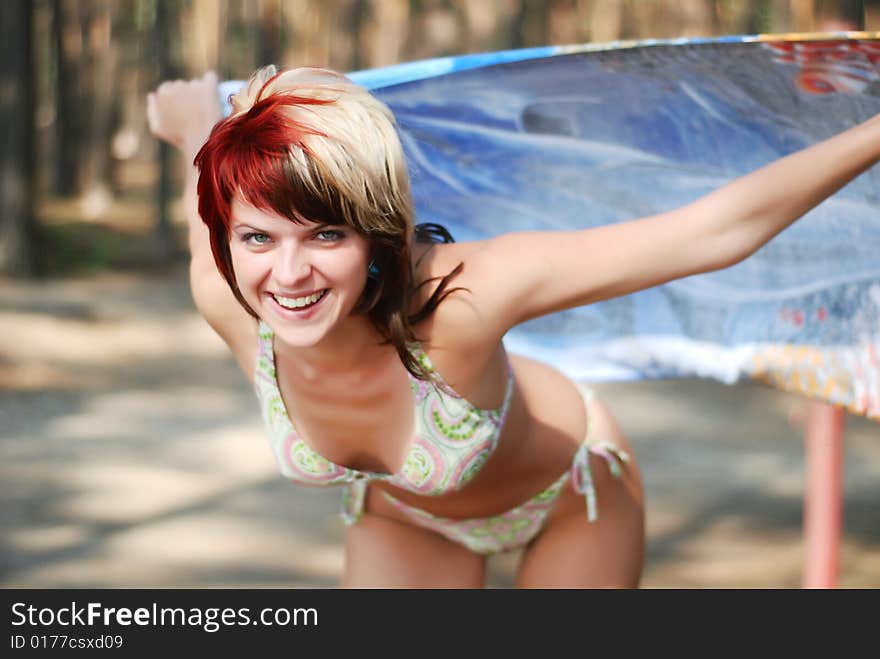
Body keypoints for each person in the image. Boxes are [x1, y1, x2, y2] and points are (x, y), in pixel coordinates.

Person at [147, 64, 878, 588]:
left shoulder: (464, 296)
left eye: (327, 236)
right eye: (259, 239)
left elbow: (712, 232)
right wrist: (194, 123)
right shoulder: (225, 293)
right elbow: (208, 194)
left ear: (376, 232)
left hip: (571, 494)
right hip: (405, 517)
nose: (290, 273)